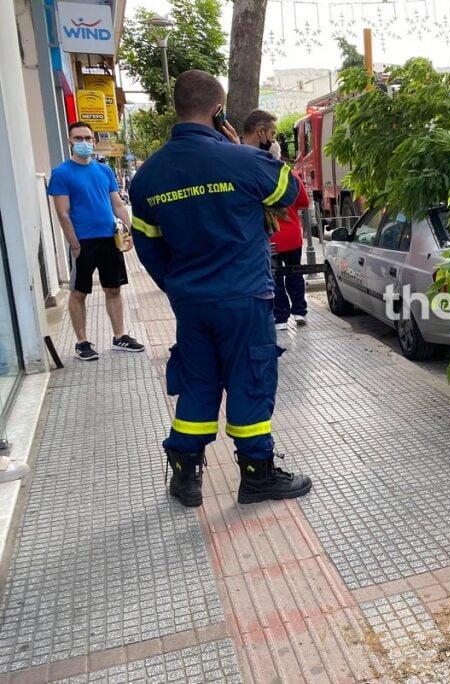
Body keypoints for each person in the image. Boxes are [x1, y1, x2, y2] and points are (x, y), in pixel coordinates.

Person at [128, 70, 312, 508]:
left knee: (198, 384)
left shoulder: (147, 177)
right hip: (244, 298)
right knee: (250, 381)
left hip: (191, 302)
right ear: (218, 110)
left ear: (177, 109)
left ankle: (186, 477)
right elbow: (292, 193)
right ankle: (257, 475)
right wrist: (245, 150)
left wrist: (178, 287)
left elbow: (147, 246)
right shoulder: (244, 161)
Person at [48, 121, 145, 360]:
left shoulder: (104, 170)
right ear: (70, 141)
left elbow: (117, 204)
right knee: (79, 292)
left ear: (94, 141)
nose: (84, 143)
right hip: (83, 241)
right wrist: (74, 244)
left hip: (109, 238)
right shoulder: (62, 173)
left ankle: (120, 336)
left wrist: (129, 232)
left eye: (87, 138)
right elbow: (62, 213)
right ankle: (82, 342)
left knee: (113, 288)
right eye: (78, 138)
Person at [241, 110, 311, 331]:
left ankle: (280, 316)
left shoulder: (251, 171)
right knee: (295, 273)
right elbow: (303, 201)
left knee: (275, 277)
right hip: (292, 236)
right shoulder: (288, 173)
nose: (272, 138)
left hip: (271, 238)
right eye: (272, 133)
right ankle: (299, 311)